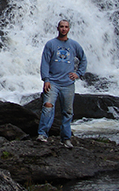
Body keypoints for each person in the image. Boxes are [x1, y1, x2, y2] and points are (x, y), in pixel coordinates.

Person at [36, 19, 87, 149]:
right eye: (61, 27)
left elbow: (83, 59)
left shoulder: (74, 45)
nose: (64, 29)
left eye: (66, 27)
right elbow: (45, 62)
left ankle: (66, 139)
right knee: (47, 106)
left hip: (68, 84)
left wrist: (79, 73)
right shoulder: (51, 44)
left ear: (69, 29)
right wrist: (46, 79)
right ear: (57, 28)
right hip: (52, 82)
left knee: (67, 112)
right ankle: (42, 134)